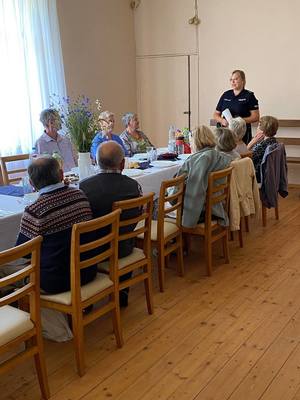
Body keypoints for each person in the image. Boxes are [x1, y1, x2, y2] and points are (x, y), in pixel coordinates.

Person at [16, 157, 97, 294]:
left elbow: (22, 253)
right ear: (61, 174)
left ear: (31, 183)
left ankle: (19, 312)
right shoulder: (80, 195)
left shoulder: (35, 210)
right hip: (88, 270)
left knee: (4, 268)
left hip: (56, 281)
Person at [80, 141, 142, 307]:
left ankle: (88, 299)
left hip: (96, 252)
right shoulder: (133, 186)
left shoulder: (84, 187)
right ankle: (122, 290)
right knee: (126, 235)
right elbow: (138, 214)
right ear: (122, 164)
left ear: (96, 162)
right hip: (124, 248)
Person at [171, 126, 232, 228]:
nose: (190, 144)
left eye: (190, 141)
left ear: (196, 142)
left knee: (156, 205)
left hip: (202, 211)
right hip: (216, 206)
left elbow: (194, 190)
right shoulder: (218, 155)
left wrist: (169, 193)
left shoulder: (200, 159)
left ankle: (170, 239)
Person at [213, 70, 260, 145]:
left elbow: (256, 117)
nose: (233, 82)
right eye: (231, 80)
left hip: (241, 133)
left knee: (240, 155)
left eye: (236, 79)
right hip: (225, 132)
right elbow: (216, 114)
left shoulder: (249, 96)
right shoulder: (226, 95)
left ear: (243, 81)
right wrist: (222, 120)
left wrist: (238, 121)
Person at [248, 115, 279, 183]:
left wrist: (251, 143)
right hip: (269, 173)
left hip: (258, 174)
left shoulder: (262, 146)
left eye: (258, 125)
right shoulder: (273, 141)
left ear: (262, 130)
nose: (257, 127)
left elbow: (247, 159)